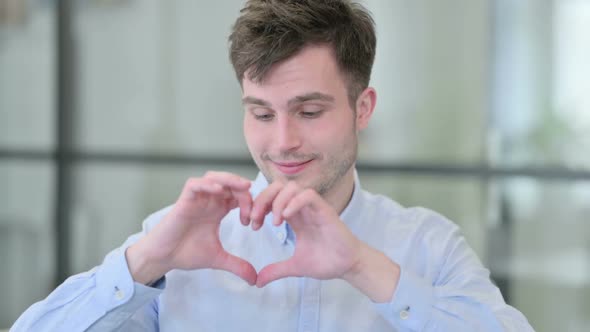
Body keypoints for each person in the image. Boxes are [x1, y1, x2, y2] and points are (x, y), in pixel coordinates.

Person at [12, 0, 534, 331]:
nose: (283, 141)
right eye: (261, 113)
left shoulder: (429, 247)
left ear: (363, 108)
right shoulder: (177, 245)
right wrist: (144, 262)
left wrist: (362, 267)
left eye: (309, 111)